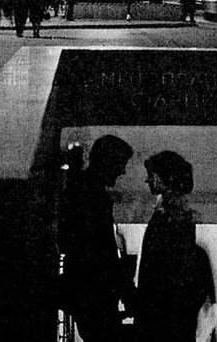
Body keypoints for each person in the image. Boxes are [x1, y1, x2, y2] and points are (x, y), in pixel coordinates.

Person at [60, 135, 135, 342]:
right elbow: (104, 252)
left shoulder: (81, 190)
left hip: (85, 294)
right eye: (120, 164)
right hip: (95, 294)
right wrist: (127, 290)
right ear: (107, 161)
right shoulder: (94, 197)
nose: (123, 171)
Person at [136, 151, 213, 342]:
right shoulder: (180, 215)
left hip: (162, 317)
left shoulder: (167, 217)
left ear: (165, 177)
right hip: (175, 317)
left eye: (152, 175)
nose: (148, 180)